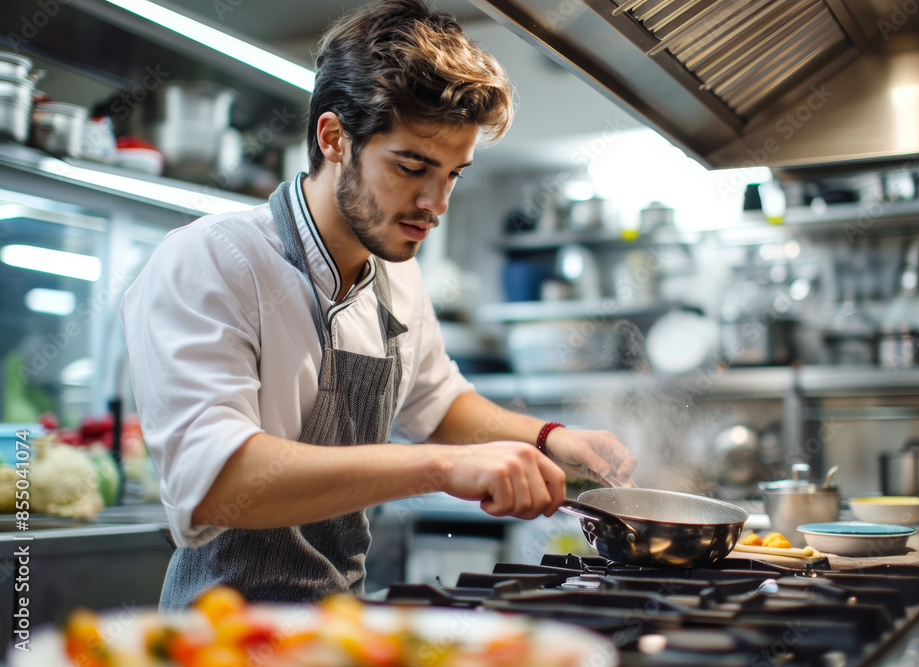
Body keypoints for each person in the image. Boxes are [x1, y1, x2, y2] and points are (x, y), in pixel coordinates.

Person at [121, 0, 636, 609]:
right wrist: (440, 470)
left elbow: (439, 405)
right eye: (412, 166)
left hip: (340, 625)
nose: (435, 202)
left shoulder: (397, 273)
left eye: (453, 174)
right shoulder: (212, 261)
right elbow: (218, 483)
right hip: (223, 634)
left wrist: (550, 438)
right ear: (334, 138)